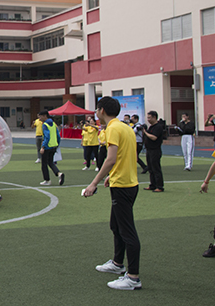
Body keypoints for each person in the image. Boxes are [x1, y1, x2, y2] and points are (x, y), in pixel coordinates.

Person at [84, 96, 141, 290]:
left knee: (127, 231)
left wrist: (94, 183)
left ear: (101, 110)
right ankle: (117, 264)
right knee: (115, 226)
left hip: (124, 186)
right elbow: (128, 156)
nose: (95, 113)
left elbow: (110, 159)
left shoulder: (113, 129)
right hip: (125, 183)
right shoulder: (125, 127)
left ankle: (133, 278)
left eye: (96, 110)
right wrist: (112, 176)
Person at [38, 110, 64, 186]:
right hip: (54, 146)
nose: (39, 118)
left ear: (45, 116)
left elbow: (47, 136)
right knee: (50, 162)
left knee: (44, 164)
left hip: (47, 147)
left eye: (40, 116)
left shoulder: (45, 125)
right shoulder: (53, 124)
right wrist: (57, 144)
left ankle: (47, 180)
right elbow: (58, 136)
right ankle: (59, 173)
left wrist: (43, 147)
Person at [142, 111, 164, 192]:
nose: (148, 119)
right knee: (150, 169)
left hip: (155, 150)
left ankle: (160, 186)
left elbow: (154, 137)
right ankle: (152, 185)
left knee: (156, 168)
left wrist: (145, 133)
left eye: (149, 117)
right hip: (149, 150)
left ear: (154, 117)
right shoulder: (151, 127)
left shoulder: (158, 127)